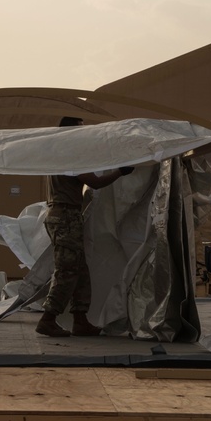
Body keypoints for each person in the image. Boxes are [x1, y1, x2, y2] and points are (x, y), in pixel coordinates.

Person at [36, 117, 134, 338]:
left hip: (64, 214)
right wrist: (120, 171)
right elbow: (95, 182)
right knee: (68, 270)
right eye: (79, 130)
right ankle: (48, 318)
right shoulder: (69, 156)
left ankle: (80, 320)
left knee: (80, 270)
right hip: (66, 216)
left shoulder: (57, 153)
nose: (83, 134)